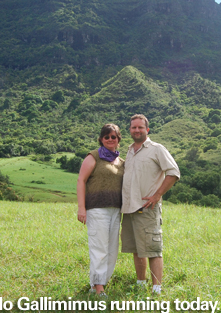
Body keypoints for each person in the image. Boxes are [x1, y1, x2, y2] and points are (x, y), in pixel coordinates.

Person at [121, 114, 180, 294]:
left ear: (147, 129)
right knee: (137, 248)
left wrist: (157, 195)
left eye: (140, 127)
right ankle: (140, 283)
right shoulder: (130, 151)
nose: (137, 130)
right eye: (133, 127)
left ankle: (156, 288)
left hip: (148, 208)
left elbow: (173, 172)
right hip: (130, 208)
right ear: (130, 130)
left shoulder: (157, 149)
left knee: (153, 249)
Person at [77, 123, 124, 297]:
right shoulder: (93, 157)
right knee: (99, 248)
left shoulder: (121, 162)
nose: (110, 139)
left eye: (114, 137)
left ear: (118, 140)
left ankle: (98, 283)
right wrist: (81, 208)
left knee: (112, 250)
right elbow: (81, 181)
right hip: (97, 209)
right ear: (101, 139)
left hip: (115, 210)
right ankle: (99, 288)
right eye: (107, 137)